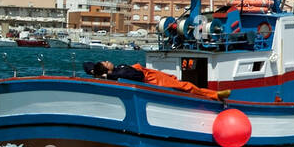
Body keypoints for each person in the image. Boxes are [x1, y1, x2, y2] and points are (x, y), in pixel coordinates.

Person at [83, 61, 230, 101]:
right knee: (185, 86)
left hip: (150, 73)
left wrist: (94, 72)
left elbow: (87, 64)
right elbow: (137, 76)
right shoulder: (118, 73)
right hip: (151, 79)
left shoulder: (115, 70)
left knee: (174, 80)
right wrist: (106, 76)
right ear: (106, 70)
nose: (108, 61)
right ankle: (214, 95)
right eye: (106, 63)